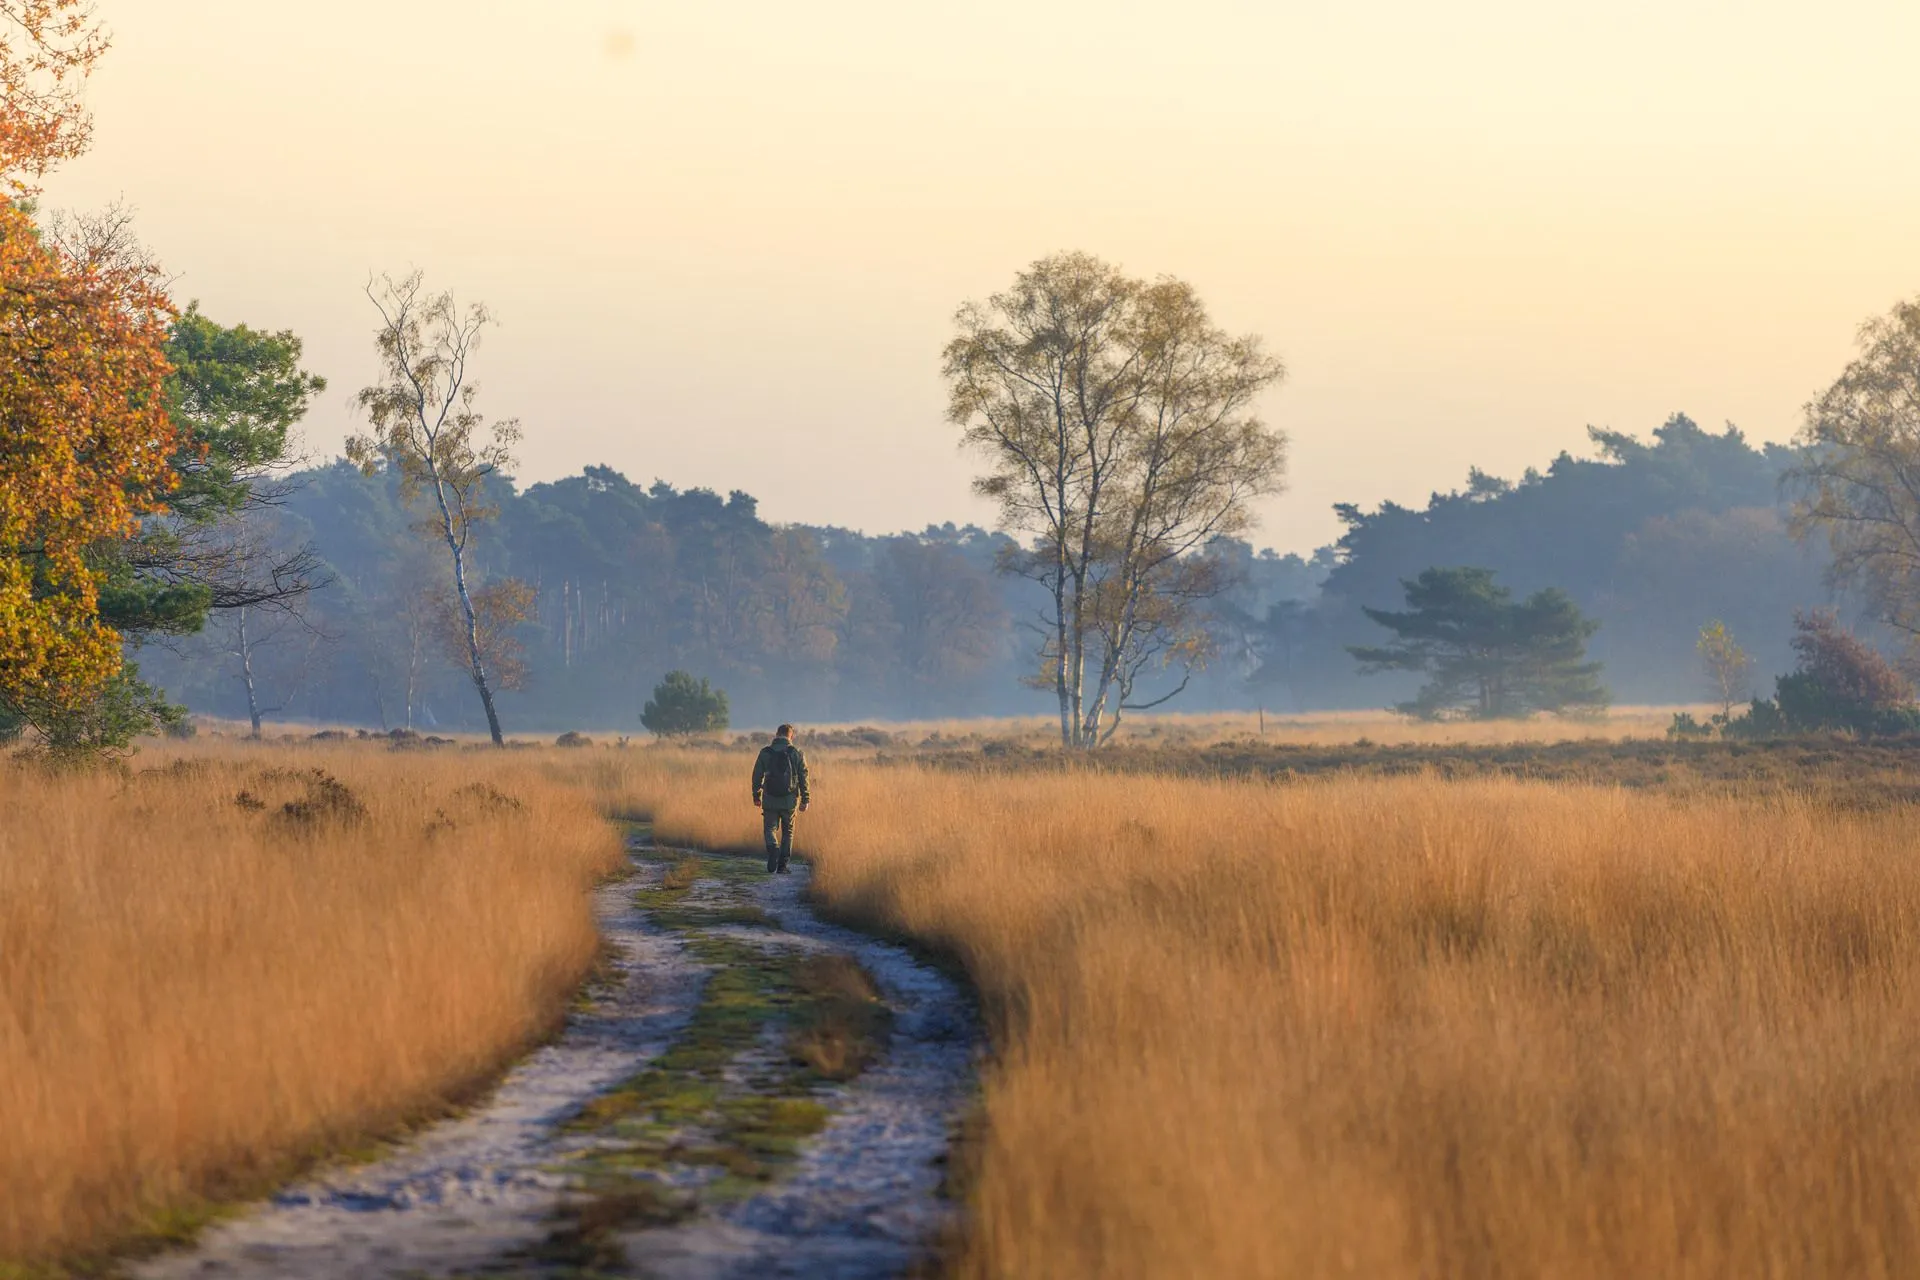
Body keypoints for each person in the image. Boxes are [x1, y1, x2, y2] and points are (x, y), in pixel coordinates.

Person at [751, 723, 810, 874]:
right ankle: (782, 866)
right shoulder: (797, 753)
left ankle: (773, 849)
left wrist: (756, 795)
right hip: (789, 800)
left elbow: (757, 776)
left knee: (769, 828)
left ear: (776, 734)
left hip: (769, 798)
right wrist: (805, 799)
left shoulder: (766, 752)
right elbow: (804, 777)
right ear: (792, 736)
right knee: (788, 832)